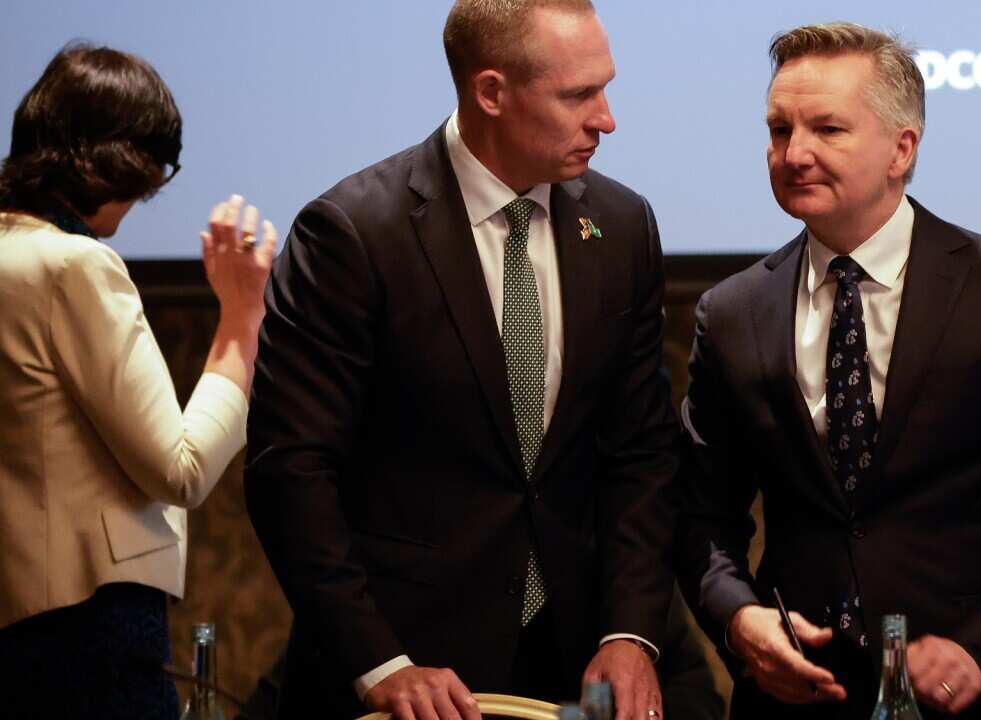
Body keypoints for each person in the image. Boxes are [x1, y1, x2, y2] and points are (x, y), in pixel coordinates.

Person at [243, 2, 679, 719]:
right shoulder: (353, 235)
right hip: (408, 673)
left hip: (573, 663)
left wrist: (630, 632)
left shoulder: (624, 225)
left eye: (605, 88)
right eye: (578, 95)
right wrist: (380, 663)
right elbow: (290, 470)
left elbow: (642, 452)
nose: (606, 119)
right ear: (490, 92)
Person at [677, 22, 981, 719]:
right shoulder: (732, 312)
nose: (795, 153)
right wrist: (738, 619)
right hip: (793, 696)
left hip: (967, 699)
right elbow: (702, 517)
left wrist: (980, 647)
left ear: (901, 149)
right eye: (779, 128)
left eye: (827, 129)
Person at [0, 44, 276, 719]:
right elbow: (179, 469)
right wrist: (242, 317)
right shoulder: (76, 267)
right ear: (127, 162)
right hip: (90, 625)